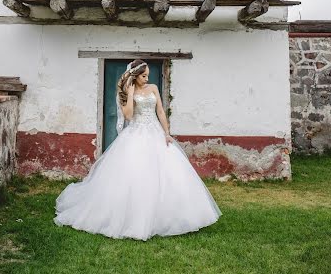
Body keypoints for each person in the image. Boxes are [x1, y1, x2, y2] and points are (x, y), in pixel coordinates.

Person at [53, 59, 222, 240]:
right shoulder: (127, 91)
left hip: (155, 134)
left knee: (166, 174)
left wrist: (166, 133)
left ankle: (172, 215)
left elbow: (160, 112)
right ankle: (132, 216)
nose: (146, 78)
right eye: (143, 76)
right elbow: (128, 115)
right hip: (135, 135)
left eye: (147, 75)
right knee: (135, 174)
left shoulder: (154, 88)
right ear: (135, 75)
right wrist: (131, 92)